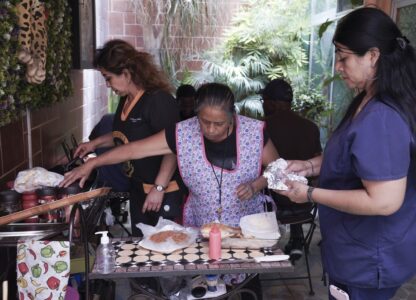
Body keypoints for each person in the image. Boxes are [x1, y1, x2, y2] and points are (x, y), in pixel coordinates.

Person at [276, 7, 416, 300]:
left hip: (368, 259)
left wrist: (310, 194)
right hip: (354, 251)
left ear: (374, 56)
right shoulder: (367, 99)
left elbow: (384, 201)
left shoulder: (382, 117)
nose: (338, 67)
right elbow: (353, 157)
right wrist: (309, 165)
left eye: (344, 57)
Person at [62, 82, 279, 229]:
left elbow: (279, 169)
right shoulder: (183, 132)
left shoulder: (254, 132)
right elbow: (135, 149)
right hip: (201, 225)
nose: (211, 130)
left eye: (219, 124)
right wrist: (93, 163)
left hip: (247, 227)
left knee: (245, 286)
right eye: (205, 122)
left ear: (232, 115)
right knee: (203, 284)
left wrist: (256, 185)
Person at [73, 39, 184, 237]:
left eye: (108, 78)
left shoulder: (158, 101)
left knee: (164, 251)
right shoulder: (126, 99)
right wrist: (94, 144)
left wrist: (159, 186)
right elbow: (123, 137)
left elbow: (173, 147)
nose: (107, 85)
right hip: (139, 190)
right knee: (143, 247)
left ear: (126, 73)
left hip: (162, 192)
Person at [260, 78, 322, 262]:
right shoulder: (310, 127)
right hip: (305, 201)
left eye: (264, 101)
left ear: (271, 102)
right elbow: (318, 166)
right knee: (294, 186)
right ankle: (297, 239)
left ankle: (261, 246)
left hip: (271, 203)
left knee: (265, 186)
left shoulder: (261, 127)